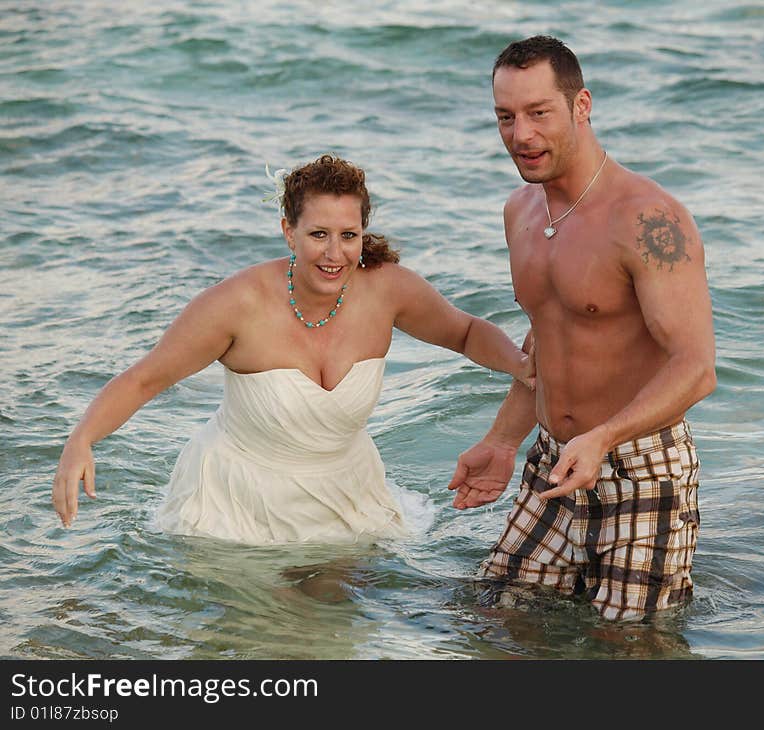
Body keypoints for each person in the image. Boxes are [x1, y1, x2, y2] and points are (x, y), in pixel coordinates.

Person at [52, 154, 534, 545]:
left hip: (349, 494)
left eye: (348, 236)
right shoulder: (236, 304)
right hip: (238, 505)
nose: (334, 253)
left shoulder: (387, 290)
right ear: (289, 232)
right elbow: (146, 378)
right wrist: (82, 440)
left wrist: (519, 363)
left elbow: (466, 332)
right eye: (318, 235)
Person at [447, 36, 716, 621]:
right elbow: (546, 344)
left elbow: (696, 367)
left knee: (628, 651)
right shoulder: (519, 212)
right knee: (496, 623)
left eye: (539, 113)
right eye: (505, 117)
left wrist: (603, 438)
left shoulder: (648, 218)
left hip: (642, 469)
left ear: (582, 106)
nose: (521, 135)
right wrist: (500, 442)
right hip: (552, 464)